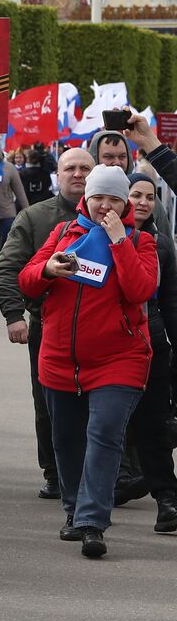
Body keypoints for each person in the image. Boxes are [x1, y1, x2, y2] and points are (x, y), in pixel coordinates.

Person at [18, 164, 157, 559]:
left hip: (119, 358)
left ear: (124, 202)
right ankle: (73, 509)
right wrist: (47, 268)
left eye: (114, 199)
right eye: (98, 197)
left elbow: (141, 289)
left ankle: (93, 521)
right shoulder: (65, 232)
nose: (104, 205)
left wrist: (119, 243)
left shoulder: (139, 240)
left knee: (104, 436)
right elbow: (27, 279)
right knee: (66, 441)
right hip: (61, 357)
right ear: (87, 198)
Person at [0, 147, 94, 500]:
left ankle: (107, 471)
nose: (78, 174)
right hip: (48, 326)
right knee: (48, 403)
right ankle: (54, 471)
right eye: (71, 168)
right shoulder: (36, 218)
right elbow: (7, 267)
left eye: (85, 168)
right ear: (58, 174)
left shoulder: (116, 218)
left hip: (104, 330)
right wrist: (13, 316)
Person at [124, 174, 177, 534]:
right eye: (135, 195)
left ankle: (167, 499)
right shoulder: (88, 235)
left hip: (151, 342)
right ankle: (86, 507)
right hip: (105, 343)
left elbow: (171, 300)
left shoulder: (161, 243)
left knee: (153, 424)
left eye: (149, 196)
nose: (143, 202)